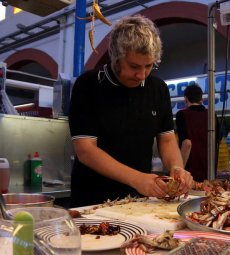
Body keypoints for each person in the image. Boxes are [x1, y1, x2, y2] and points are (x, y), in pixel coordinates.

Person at [68, 15, 193, 207]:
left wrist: (176, 167)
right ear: (116, 58)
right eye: (134, 66)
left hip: (138, 201)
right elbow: (86, 150)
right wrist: (137, 179)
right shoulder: (88, 85)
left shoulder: (158, 89)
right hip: (92, 201)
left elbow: (167, 140)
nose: (142, 75)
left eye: (149, 66)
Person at [175, 84, 209, 182]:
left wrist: (179, 171)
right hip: (209, 172)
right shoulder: (212, 115)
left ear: (185, 99)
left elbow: (187, 143)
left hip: (189, 174)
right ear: (201, 99)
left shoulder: (182, 114)